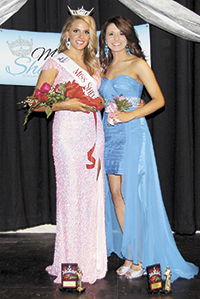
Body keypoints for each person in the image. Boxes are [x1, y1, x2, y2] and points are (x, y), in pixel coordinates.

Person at [99, 15, 198, 281]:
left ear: (128, 37)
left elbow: (159, 101)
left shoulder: (138, 64)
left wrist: (131, 114)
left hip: (132, 133)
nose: (116, 39)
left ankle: (141, 257)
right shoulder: (104, 67)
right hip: (109, 134)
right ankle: (130, 254)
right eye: (110, 34)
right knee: (116, 195)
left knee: (133, 196)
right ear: (104, 40)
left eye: (120, 33)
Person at [33, 12, 107, 284]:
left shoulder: (96, 65)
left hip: (92, 133)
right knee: (70, 196)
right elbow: (35, 103)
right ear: (66, 34)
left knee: (90, 197)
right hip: (66, 133)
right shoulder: (55, 62)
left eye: (86, 32)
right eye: (76, 31)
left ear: (91, 37)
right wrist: (67, 104)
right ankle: (69, 262)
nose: (81, 36)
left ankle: (89, 259)